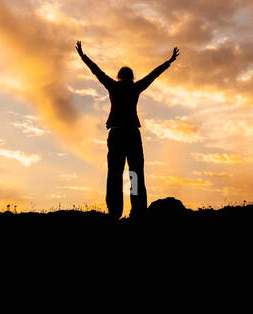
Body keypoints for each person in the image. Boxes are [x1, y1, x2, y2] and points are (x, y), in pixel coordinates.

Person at [75, 39, 179, 219]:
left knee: (114, 174)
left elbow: (97, 71)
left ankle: (114, 212)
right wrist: (168, 62)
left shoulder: (113, 86)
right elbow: (153, 75)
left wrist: (83, 56)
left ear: (118, 76)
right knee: (135, 173)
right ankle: (138, 210)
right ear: (131, 76)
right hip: (132, 134)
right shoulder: (135, 87)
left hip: (116, 133)